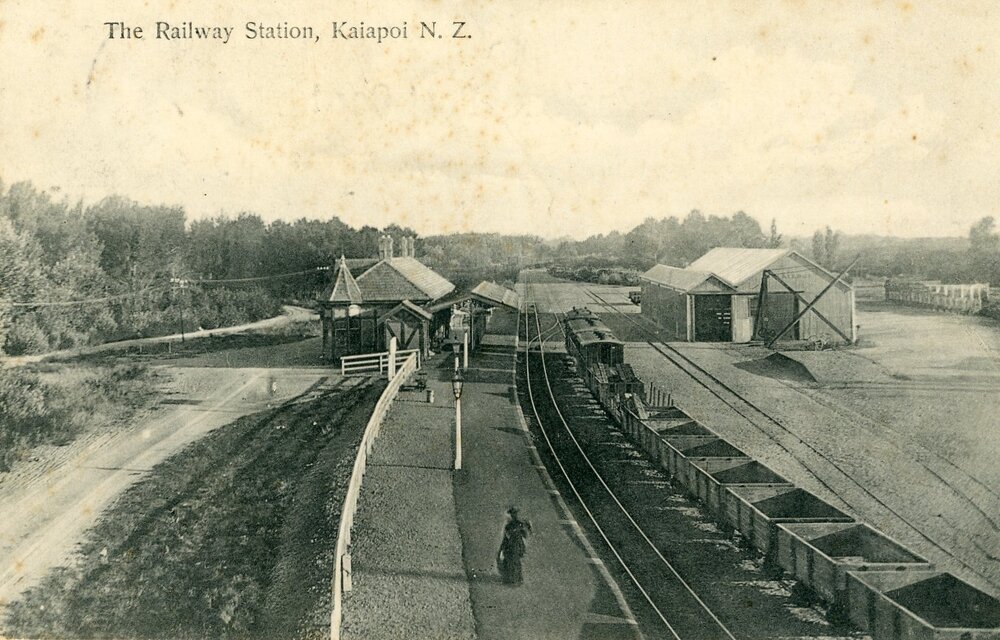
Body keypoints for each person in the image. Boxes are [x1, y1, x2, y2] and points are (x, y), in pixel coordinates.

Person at [496, 507, 532, 585]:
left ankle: (511, 579)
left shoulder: (509, 526)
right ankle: (516, 579)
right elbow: (525, 534)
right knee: (514, 563)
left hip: (512, 547)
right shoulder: (519, 524)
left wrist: (502, 548)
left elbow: (506, 538)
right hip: (516, 546)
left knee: (510, 562)